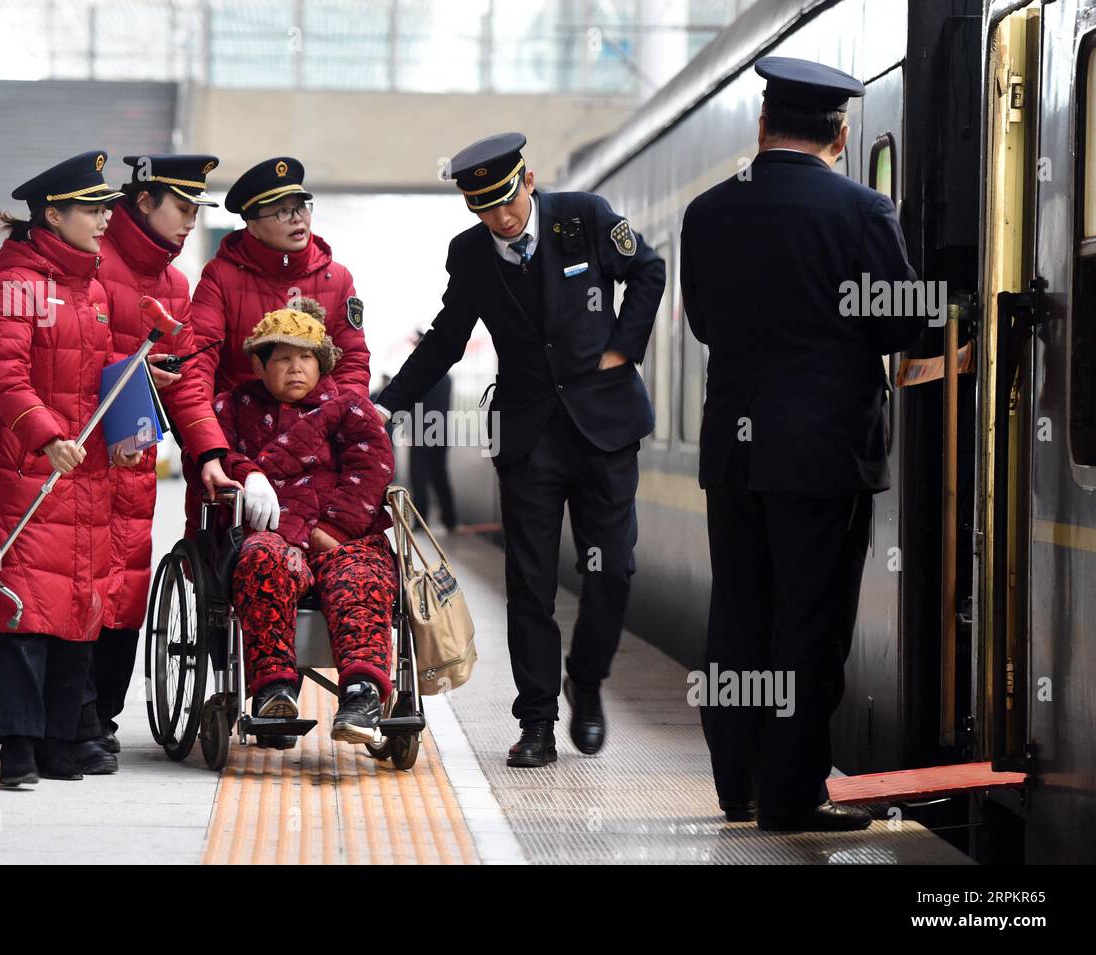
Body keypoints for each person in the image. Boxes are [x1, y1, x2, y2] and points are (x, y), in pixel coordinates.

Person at [680, 57, 926, 831]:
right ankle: (790, 793)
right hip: (822, 458)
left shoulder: (709, 211)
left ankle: (737, 783)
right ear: (842, 135)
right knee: (808, 625)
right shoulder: (862, 210)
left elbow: (704, 323)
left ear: (763, 125)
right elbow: (904, 327)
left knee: (739, 617)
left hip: (737, 455)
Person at [375, 133, 666, 767]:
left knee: (612, 570)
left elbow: (649, 270)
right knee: (529, 583)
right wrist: (387, 404)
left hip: (604, 428)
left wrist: (624, 349)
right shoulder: (471, 254)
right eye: (483, 209)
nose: (500, 219)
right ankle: (535, 720)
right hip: (527, 438)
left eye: (506, 202)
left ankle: (584, 681)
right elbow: (448, 338)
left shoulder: (584, 217)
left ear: (527, 181)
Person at [0, 150, 138, 788]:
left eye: (104, 210)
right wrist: (44, 437)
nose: (102, 221)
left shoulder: (88, 286)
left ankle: (60, 743)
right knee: (22, 609)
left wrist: (136, 398)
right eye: (92, 210)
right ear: (53, 213)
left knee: (74, 608)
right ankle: (18, 748)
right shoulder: (13, 280)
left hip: (83, 473)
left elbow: (95, 376)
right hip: (23, 472)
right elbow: (3, 375)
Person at [88, 153, 236, 767]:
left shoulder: (176, 286)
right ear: (144, 201)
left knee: (123, 592)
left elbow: (187, 384)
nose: (189, 222)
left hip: (133, 467)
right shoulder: (89, 258)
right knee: (76, 590)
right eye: (182, 208)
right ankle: (62, 720)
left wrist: (208, 453)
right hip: (73, 460)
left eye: (197, 210)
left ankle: (98, 720)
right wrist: (129, 376)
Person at [213, 298, 397, 743]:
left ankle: (361, 696)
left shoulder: (350, 407)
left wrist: (333, 530)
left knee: (362, 577)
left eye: (306, 358)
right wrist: (246, 473)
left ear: (323, 364)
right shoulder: (232, 408)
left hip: (345, 537)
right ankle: (275, 688)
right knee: (259, 561)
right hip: (273, 536)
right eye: (283, 359)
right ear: (258, 366)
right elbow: (213, 457)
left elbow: (373, 468)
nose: (296, 368)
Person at [184, 156, 371, 543]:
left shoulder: (336, 278)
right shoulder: (220, 277)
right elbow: (198, 362)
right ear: (251, 223)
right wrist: (208, 445)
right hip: (240, 439)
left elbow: (352, 362)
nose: (297, 218)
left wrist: (346, 427)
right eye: (282, 212)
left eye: (301, 207)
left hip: (319, 442)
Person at [406, 336, 457, 532]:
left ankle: (421, 522)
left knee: (418, 477)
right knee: (440, 475)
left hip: (422, 434)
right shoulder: (447, 377)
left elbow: (412, 404)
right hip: (441, 433)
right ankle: (450, 519)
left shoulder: (423, 375)